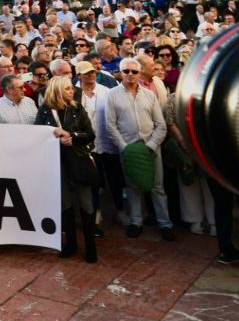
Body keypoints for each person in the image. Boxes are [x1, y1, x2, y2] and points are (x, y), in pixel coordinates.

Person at [102, 57, 174, 241]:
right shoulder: (112, 95)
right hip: (128, 149)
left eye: (134, 71)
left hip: (151, 148)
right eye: (126, 71)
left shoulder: (149, 95)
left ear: (139, 73)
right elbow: (110, 125)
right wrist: (124, 147)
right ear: (120, 73)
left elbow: (161, 125)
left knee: (158, 187)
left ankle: (165, 224)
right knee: (133, 187)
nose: (130, 75)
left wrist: (151, 145)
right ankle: (136, 221)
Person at [34, 75, 98, 263]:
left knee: (86, 203)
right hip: (58, 163)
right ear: (57, 90)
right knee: (65, 204)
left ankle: (90, 246)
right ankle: (70, 243)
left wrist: (72, 136)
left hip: (78, 161)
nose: (72, 91)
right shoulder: (45, 110)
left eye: (71, 88)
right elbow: (37, 135)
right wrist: (55, 138)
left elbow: (90, 134)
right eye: (68, 88)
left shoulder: (77, 108)